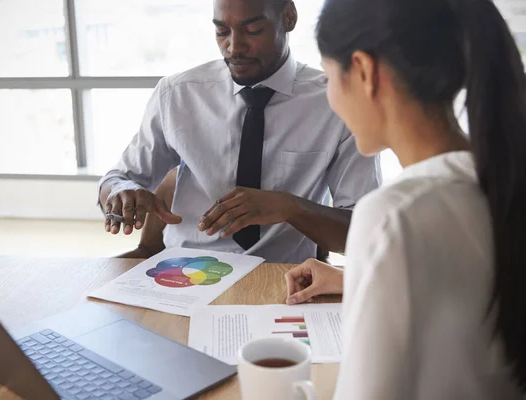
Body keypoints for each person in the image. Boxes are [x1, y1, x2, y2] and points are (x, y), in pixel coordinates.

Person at [285, 0, 526, 397]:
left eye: (329, 77)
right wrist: (359, 278)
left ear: (363, 71)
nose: (329, 96)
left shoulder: (392, 216)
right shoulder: (502, 180)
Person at [99, 0, 381, 264]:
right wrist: (123, 191)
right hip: (184, 273)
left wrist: (290, 207)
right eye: (221, 31)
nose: (234, 47)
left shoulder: (335, 102)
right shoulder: (177, 95)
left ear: (289, 17)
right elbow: (117, 179)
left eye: (253, 30)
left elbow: (364, 230)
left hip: (283, 278)